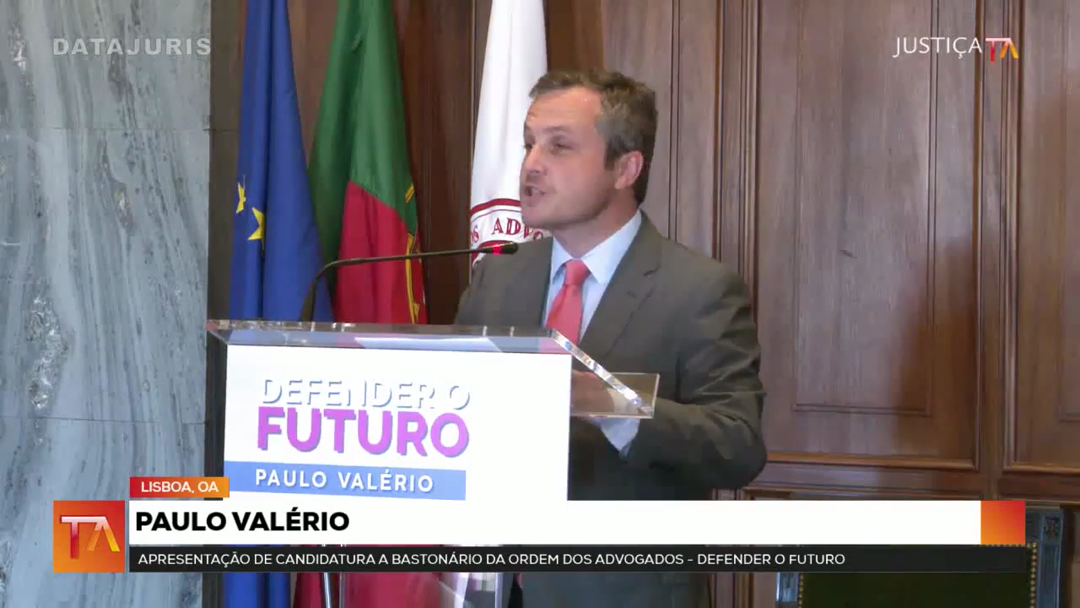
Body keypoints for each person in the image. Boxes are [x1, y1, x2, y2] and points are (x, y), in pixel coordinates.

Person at [455, 68, 768, 608]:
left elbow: (737, 447)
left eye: (559, 146)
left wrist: (606, 401)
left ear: (626, 168)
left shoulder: (699, 289)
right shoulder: (497, 276)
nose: (531, 165)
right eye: (529, 144)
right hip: (492, 589)